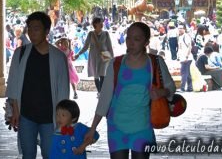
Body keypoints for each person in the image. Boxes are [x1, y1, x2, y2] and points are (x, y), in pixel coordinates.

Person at [77, 21, 176, 159]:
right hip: (116, 126)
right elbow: (105, 98)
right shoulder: (116, 64)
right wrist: (92, 128)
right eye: (128, 38)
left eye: (137, 39)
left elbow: (171, 87)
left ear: (146, 42)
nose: (131, 42)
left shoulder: (155, 62)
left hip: (142, 126)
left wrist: (162, 92)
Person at [6, 11, 69, 159]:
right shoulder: (20, 54)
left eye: (36, 29)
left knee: (50, 154)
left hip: (50, 116)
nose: (32, 33)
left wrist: (62, 119)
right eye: (30, 29)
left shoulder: (58, 57)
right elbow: (13, 84)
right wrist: (15, 110)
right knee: (28, 155)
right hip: (26, 115)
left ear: (46, 31)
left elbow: (63, 90)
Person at [73, 17, 113, 94]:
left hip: (105, 57)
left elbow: (109, 47)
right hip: (94, 57)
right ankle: (99, 91)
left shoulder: (106, 34)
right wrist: (78, 54)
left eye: (102, 22)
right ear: (95, 24)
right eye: (100, 22)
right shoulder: (91, 34)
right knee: (96, 75)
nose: (102, 24)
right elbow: (85, 46)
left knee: (103, 74)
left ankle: (101, 93)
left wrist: (113, 58)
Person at [177, 24, 193, 92]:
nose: (180, 29)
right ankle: (190, 88)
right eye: (179, 28)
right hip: (183, 57)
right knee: (187, 73)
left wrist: (187, 56)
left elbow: (190, 47)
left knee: (184, 72)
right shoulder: (180, 37)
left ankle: (182, 88)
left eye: (181, 28)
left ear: (184, 29)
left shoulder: (186, 36)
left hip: (186, 58)